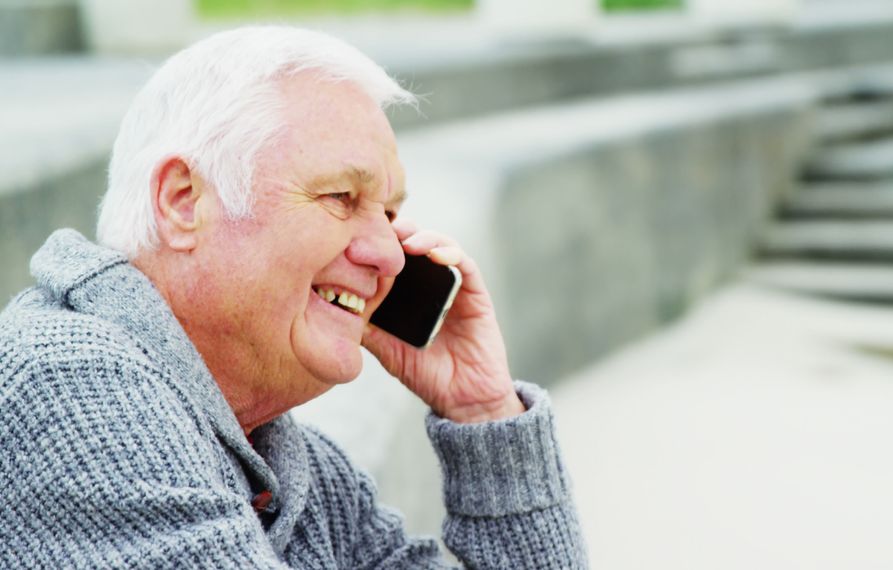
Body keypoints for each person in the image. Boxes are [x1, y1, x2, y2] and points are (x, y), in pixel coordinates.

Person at [0, 26, 587, 569]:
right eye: (340, 197)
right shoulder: (67, 384)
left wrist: (486, 415)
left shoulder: (307, 475)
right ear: (183, 202)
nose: (389, 254)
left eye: (389, 213)